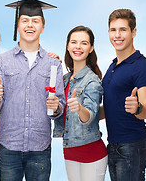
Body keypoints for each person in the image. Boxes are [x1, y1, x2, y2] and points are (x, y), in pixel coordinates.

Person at [0, 0, 66, 181]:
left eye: (35, 21)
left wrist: (56, 106)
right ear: (18, 25)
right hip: (9, 146)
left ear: (42, 27)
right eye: (25, 21)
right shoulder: (2, 61)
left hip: (40, 147)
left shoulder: (53, 64)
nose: (30, 25)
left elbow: (58, 105)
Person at [102, 9, 146, 181]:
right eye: (113, 30)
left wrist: (138, 107)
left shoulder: (142, 66)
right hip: (114, 144)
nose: (117, 35)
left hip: (132, 145)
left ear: (133, 32)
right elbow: (112, 106)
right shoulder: (113, 66)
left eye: (123, 30)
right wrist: (85, 113)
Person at [53, 26, 108, 181]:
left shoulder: (92, 80)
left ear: (91, 48)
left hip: (91, 152)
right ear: (68, 46)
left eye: (84, 43)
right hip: (69, 150)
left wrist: (79, 108)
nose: (78, 46)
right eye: (74, 42)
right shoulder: (64, 79)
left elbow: (90, 116)